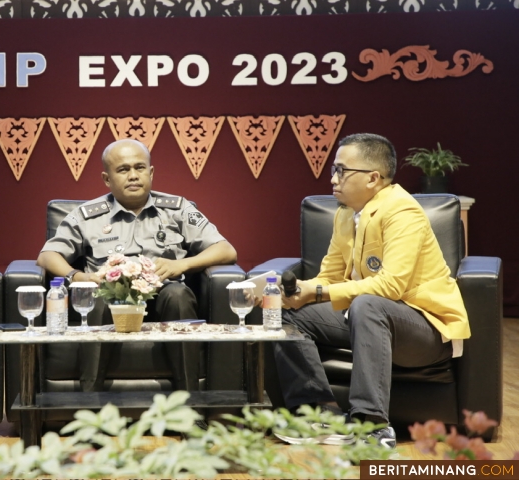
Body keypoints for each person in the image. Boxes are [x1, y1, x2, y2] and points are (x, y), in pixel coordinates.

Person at [271, 133, 470, 449]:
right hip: (365, 317)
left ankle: (372, 426)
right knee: (284, 312)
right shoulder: (345, 213)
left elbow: (390, 286)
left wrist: (316, 290)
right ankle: (320, 413)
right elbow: (330, 278)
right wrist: (299, 294)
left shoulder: (402, 211)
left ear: (373, 178)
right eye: (334, 170)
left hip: (427, 331)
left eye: (341, 170)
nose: (333, 178)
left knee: (368, 304)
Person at [37, 139, 237, 393]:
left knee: (178, 295)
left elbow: (227, 250)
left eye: (140, 168)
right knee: (99, 297)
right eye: (123, 170)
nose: (133, 176)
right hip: (110, 299)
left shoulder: (178, 209)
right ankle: (90, 406)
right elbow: (47, 255)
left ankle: (190, 405)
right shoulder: (86, 215)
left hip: (164, 296)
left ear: (151, 173)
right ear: (107, 179)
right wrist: (76, 275)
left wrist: (183, 264)